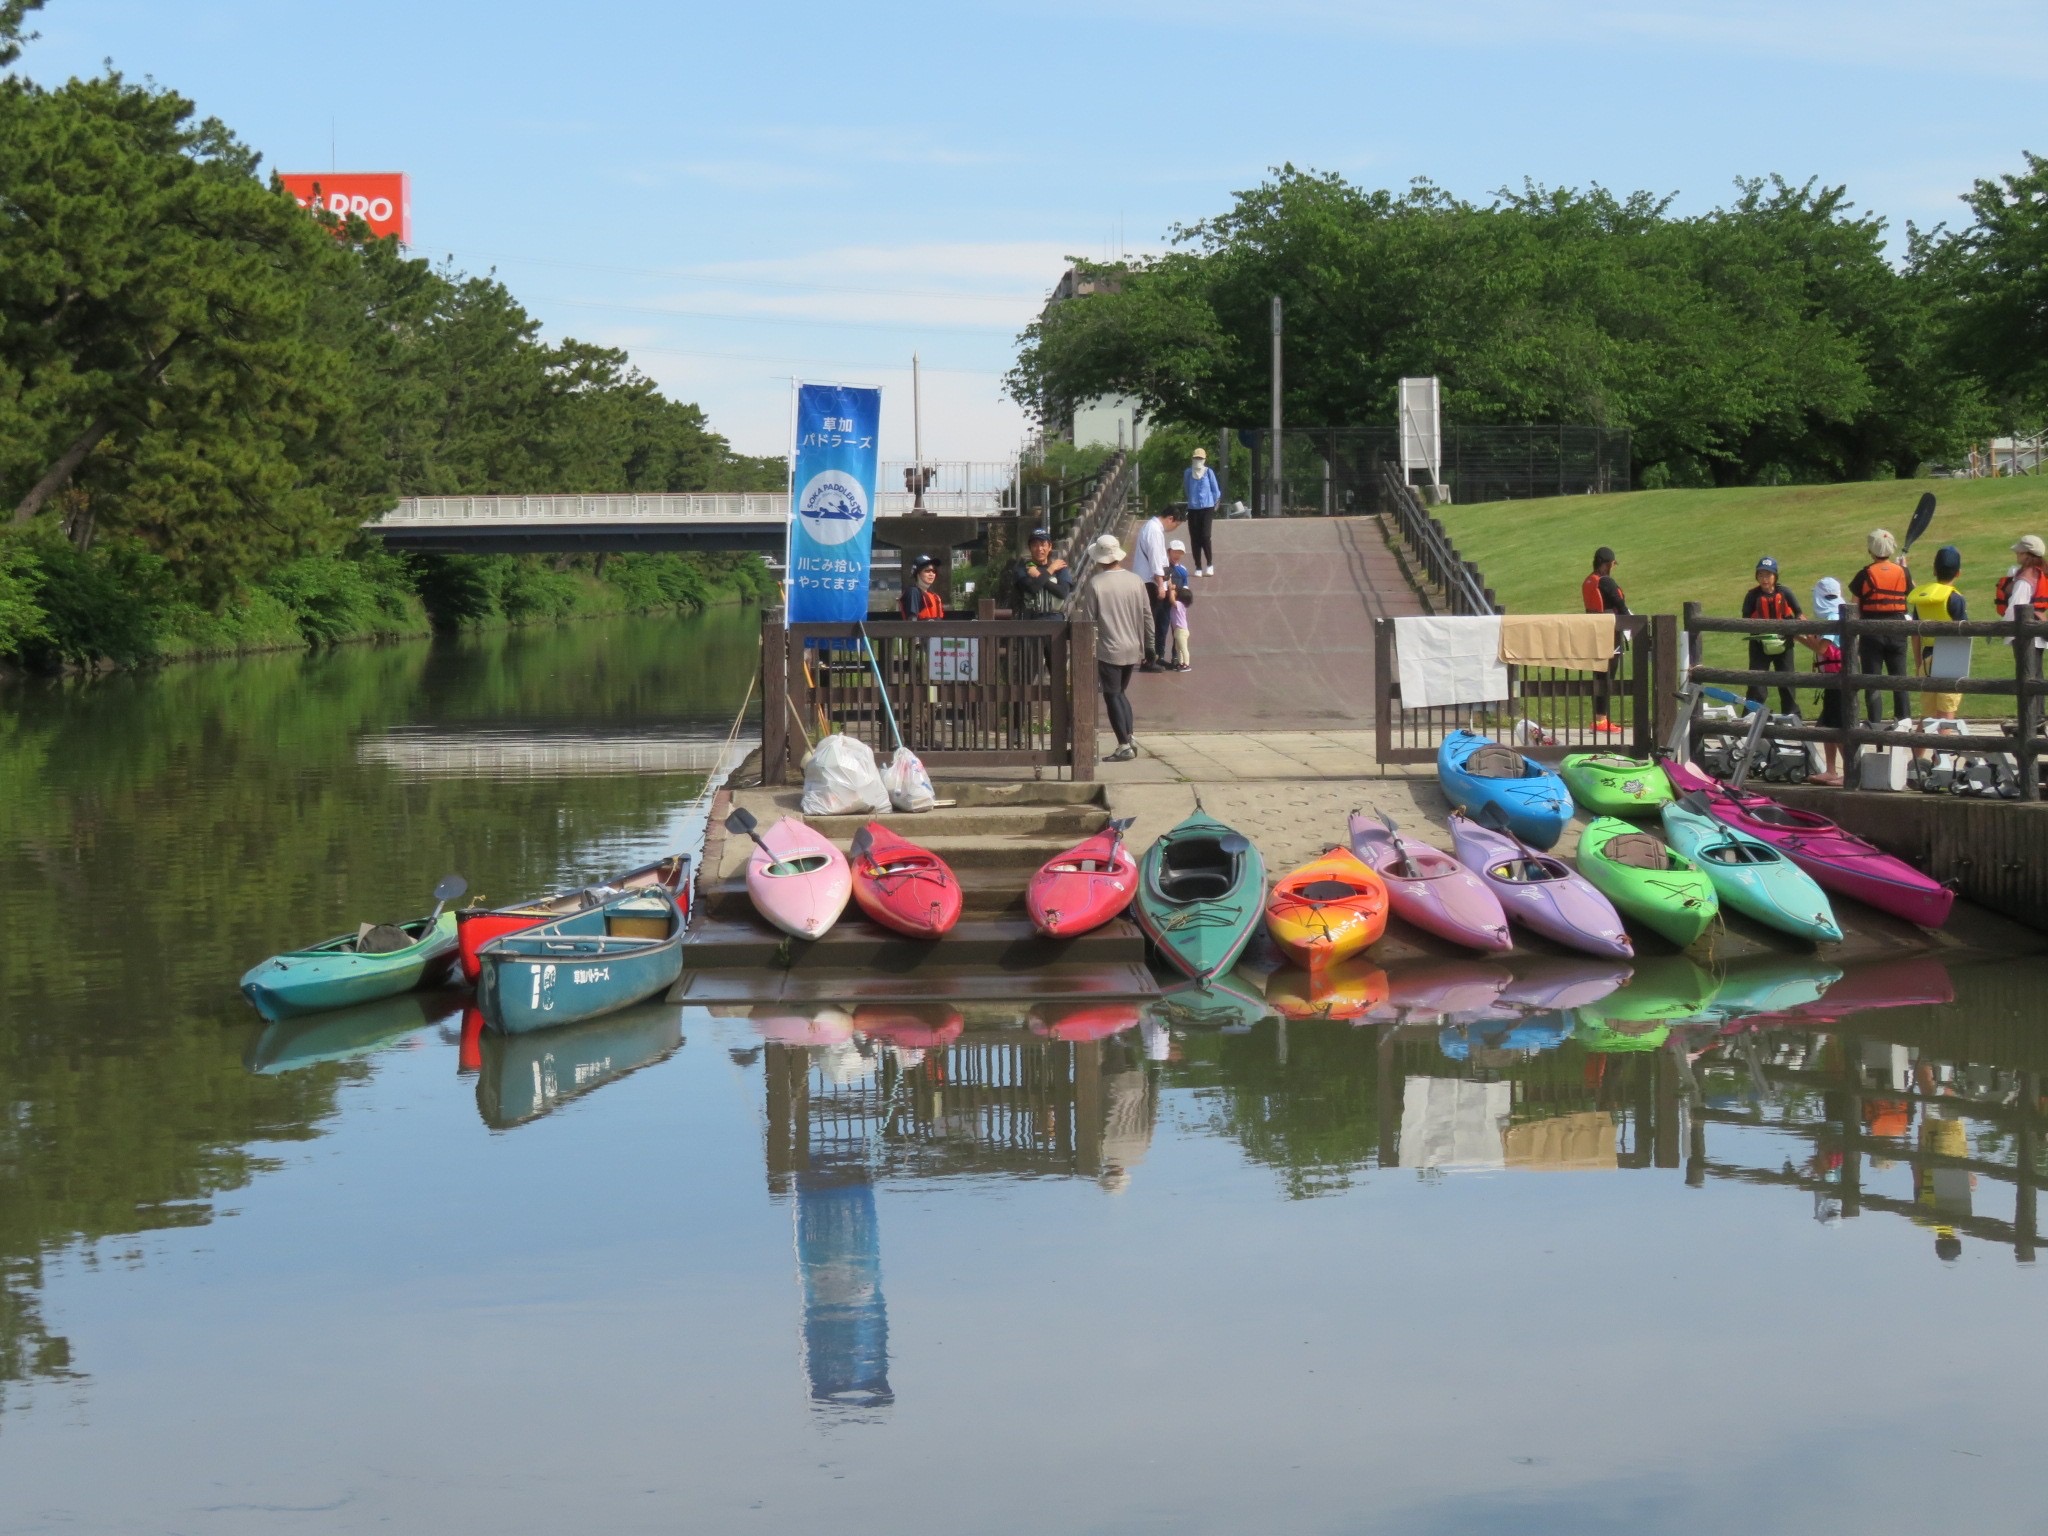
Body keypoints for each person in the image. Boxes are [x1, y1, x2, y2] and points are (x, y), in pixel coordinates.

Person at [1076, 534, 1152, 762]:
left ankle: (1123, 744)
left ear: (1098, 558)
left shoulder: (1096, 584)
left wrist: (1083, 651)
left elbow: (1088, 621)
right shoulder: (1135, 580)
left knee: (1112, 695)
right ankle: (1129, 737)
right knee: (1120, 693)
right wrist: (1150, 647)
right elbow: (1147, 615)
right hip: (1133, 647)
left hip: (1110, 648)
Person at [1849, 528, 1911, 724]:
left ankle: (1875, 724)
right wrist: (1904, 568)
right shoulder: (1903, 572)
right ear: (1891, 550)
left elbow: (1853, 608)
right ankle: (1904, 724)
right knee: (1900, 681)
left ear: (1870, 550)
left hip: (1871, 633)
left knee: (1872, 683)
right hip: (1898, 632)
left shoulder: (1864, 574)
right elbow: (1911, 591)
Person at [1907, 545, 1967, 729]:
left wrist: (1918, 663)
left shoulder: (1922, 597)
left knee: (1927, 716)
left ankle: (1917, 758)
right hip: (1951, 656)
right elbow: (1963, 633)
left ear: (1934, 570)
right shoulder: (1955, 598)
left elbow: (1915, 634)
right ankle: (1941, 757)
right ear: (1958, 573)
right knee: (1946, 714)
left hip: (1927, 657)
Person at [1741, 556, 1803, 717]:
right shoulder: (1751, 596)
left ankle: (1792, 720)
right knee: (1757, 685)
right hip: (1760, 645)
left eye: (1768, 575)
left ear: (1775, 576)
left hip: (1784, 644)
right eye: (1760, 575)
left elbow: (1799, 614)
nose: (1764, 579)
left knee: (1787, 683)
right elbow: (1745, 620)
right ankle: (1749, 719)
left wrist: (1802, 634)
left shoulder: (1786, 593)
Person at [1581, 546, 1629, 736]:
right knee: (1608, 677)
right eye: (1612, 564)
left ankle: (1599, 718)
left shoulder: (1589, 580)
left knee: (1599, 676)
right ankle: (1602, 719)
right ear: (1607, 564)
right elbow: (1620, 605)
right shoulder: (1606, 582)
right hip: (1610, 633)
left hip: (1594, 632)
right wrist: (1632, 621)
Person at [1131, 504, 1183, 672]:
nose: (1173, 528)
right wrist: (1161, 584)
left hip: (1151, 579)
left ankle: (1155, 657)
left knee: (1154, 619)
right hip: (1150, 581)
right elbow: (1155, 559)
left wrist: (1167, 582)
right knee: (1150, 619)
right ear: (1170, 519)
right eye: (1175, 525)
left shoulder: (1152, 528)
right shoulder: (1154, 530)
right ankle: (1148, 659)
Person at [1806, 576, 1847, 784]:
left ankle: (1848, 772)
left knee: (1838, 727)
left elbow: (1822, 648)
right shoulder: (1840, 612)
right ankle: (1831, 770)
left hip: (1838, 679)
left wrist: (1799, 636)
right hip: (1833, 679)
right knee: (1826, 725)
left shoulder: (1832, 616)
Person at [1009, 526, 1071, 616]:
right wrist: (1049, 571)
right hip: (1030, 621)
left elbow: (1063, 593)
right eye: (1035, 545)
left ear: (1050, 547)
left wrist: (1039, 575)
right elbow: (1032, 588)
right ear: (1030, 548)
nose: (1039, 549)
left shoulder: (1059, 568)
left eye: (1043, 544)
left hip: (1055, 620)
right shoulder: (1023, 569)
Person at [2002, 534, 2048, 650]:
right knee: (2034, 668)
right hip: (2040, 631)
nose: (2017, 553)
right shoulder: (2039, 573)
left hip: (2024, 634)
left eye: (2020, 552)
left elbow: (2016, 606)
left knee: (2026, 668)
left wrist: (2003, 629)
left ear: (2028, 555)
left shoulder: (2025, 579)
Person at [1182, 447, 1220, 577]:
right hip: (1193, 508)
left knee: (1205, 536)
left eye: (1200, 458)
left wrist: (1213, 502)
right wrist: (1192, 500)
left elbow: (1216, 490)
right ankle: (1198, 566)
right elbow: (1187, 488)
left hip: (1207, 507)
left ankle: (1209, 564)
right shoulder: (1188, 473)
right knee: (1195, 538)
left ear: (1204, 460)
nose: (1198, 460)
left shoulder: (1209, 472)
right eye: (1196, 458)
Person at [1166, 538, 1193, 671]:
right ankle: (1158, 654)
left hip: (1176, 603)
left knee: (1177, 634)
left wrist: (1178, 596)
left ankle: (1177, 658)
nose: (1177, 555)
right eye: (1175, 552)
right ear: (1169, 552)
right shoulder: (1164, 567)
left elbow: (1186, 587)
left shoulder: (1182, 570)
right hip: (1164, 603)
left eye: (1180, 552)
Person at [899, 554, 944, 620]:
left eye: (934, 571)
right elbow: (912, 621)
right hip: (917, 630)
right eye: (927, 571)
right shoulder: (913, 592)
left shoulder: (935, 596)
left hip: (935, 630)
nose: (931, 574)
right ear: (917, 573)